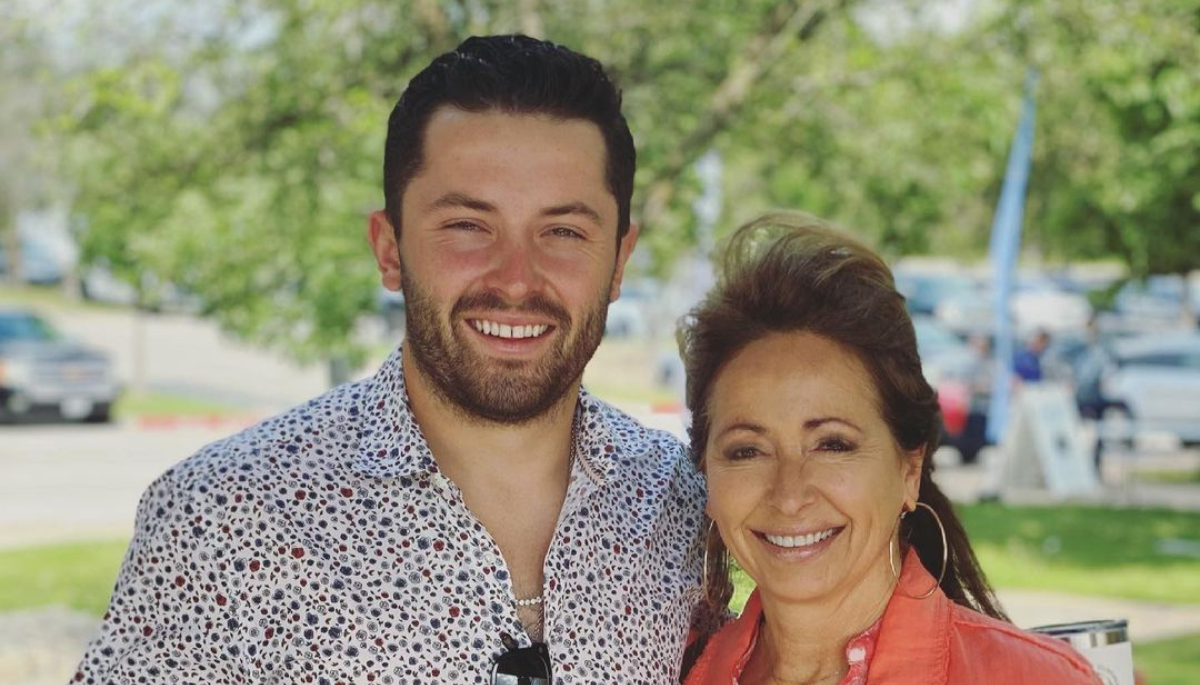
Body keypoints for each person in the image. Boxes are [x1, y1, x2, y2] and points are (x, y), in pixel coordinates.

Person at [73, 35, 707, 684]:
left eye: (564, 231)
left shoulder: (680, 500)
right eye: (468, 225)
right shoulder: (220, 519)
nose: (517, 279)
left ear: (620, 260)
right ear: (389, 248)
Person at [677, 212, 1101, 685]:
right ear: (708, 476)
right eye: (747, 451)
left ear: (909, 470)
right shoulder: (669, 670)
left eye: (831, 444)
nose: (789, 494)